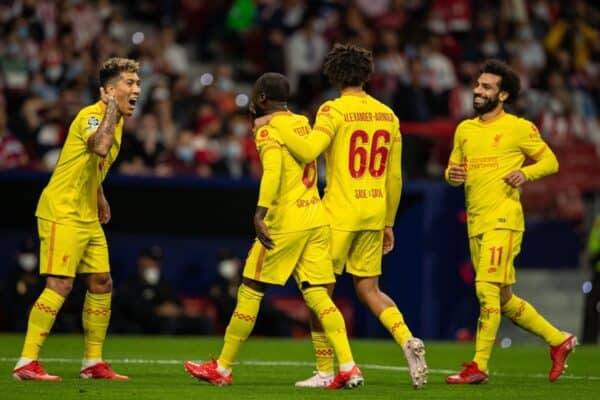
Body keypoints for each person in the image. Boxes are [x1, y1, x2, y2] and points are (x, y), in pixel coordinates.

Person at [256, 43, 427, 389]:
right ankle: (408, 339)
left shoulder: (333, 110)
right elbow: (395, 178)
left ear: (333, 74)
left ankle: (327, 370)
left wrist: (277, 119)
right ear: (367, 75)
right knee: (369, 289)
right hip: (375, 210)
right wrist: (389, 222)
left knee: (318, 290)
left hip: (339, 211)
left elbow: (307, 151)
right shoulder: (388, 115)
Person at [184, 72, 364, 390]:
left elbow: (274, 172)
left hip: (286, 220)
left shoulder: (269, 128)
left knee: (251, 286)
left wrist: (260, 212)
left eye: (255, 94)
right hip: (316, 216)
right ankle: (346, 367)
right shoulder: (301, 122)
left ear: (263, 98)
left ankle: (222, 368)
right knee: (317, 295)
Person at [444, 59, 576, 384]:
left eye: (486, 87)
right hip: (476, 222)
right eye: (477, 85)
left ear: (502, 95)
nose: (477, 90)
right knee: (502, 299)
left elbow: (551, 161)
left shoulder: (519, 127)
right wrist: (453, 175)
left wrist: (525, 172)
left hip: (503, 220)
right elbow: (452, 172)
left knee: (485, 290)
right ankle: (559, 340)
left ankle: (479, 366)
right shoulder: (465, 129)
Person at [12, 57, 140, 381]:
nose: (137, 89)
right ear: (109, 90)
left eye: (138, 83)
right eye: (129, 83)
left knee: (101, 282)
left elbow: (88, 164)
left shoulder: (117, 121)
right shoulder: (92, 116)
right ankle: (26, 362)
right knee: (60, 284)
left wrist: (98, 195)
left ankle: (92, 363)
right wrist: (110, 108)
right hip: (62, 211)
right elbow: (98, 148)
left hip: (85, 213)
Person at [113, 246, 212, 335]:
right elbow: (132, 308)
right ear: (142, 261)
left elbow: (176, 301)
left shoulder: (163, 283)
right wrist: (157, 310)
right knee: (169, 322)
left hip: (167, 319)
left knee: (203, 322)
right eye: (151, 260)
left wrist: (176, 309)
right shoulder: (131, 283)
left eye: (156, 261)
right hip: (143, 323)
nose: (154, 264)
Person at [582, 213, 600, 343]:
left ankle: (589, 339)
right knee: (591, 306)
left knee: (592, 305)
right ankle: (588, 340)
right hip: (597, 269)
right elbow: (593, 239)